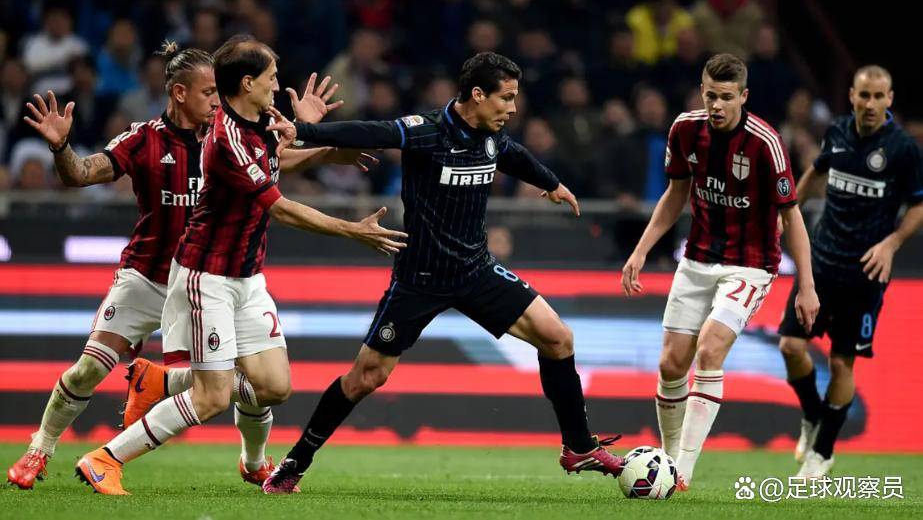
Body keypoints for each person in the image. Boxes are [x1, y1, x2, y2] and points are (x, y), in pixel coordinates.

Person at [6, 43, 375, 491]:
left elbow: (270, 164)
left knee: (264, 381)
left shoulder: (230, 131)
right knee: (92, 370)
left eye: (219, 92)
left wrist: (319, 147)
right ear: (179, 93)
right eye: (208, 93)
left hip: (219, 275)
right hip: (151, 277)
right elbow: (80, 174)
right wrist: (62, 146)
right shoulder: (145, 139)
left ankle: (246, 453)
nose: (217, 101)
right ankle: (40, 448)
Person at [260, 52, 625, 494]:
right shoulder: (427, 132)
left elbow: (513, 156)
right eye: (506, 98)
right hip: (420, 280)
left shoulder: (491, 136)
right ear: (478, 94)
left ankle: (579, 447)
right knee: (366, 377)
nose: (513, 108)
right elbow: (373, 132)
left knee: (558, 338)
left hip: (476, 271)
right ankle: (295, 462)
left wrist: (551, 183)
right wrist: (303, 131)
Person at [620, 53, 820, 491]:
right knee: (671, 364)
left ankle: (682, 471)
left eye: (727, 97)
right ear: (702, 90)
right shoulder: (684, 129)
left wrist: (806, 285)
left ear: (743, 96)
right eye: (711, 95)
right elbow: (676, 194)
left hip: (750, 265)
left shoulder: (765, 143)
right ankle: (668, 459)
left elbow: (792, 216)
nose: (717, 104)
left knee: (709, 351)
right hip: (696, 259)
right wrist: (640, 251)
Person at [777, 65, 923, 478]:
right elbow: (816, 170)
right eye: (864, 95)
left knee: (842, 363)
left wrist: (892, 243)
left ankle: (822, 452)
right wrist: (786, 212)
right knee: (790, 346)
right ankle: (813, 414)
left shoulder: (902, 149)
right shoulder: (838, 131)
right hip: (821, 260)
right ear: (852, 97)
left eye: (878, 96)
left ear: (889, 99)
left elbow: (919, 204)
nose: (870, 104)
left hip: (864, 272)